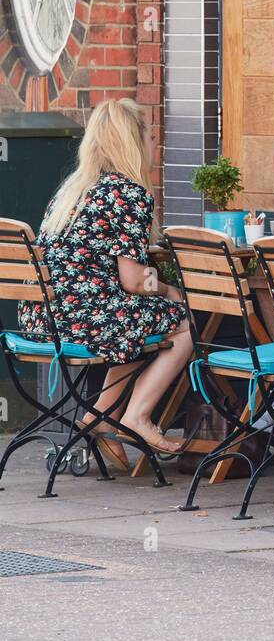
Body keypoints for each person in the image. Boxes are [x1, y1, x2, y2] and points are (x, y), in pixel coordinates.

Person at [24, 99, 191, 456]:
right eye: (148, 137)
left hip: (41, 318)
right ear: (132, 142)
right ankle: (137, 417)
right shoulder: (128, 193)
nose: (153, 145)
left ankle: (100, 416)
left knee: (133, 319)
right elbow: (133, 281)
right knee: (182, 323)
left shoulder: (72, 189)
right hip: (84, 320)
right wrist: (169, 289)